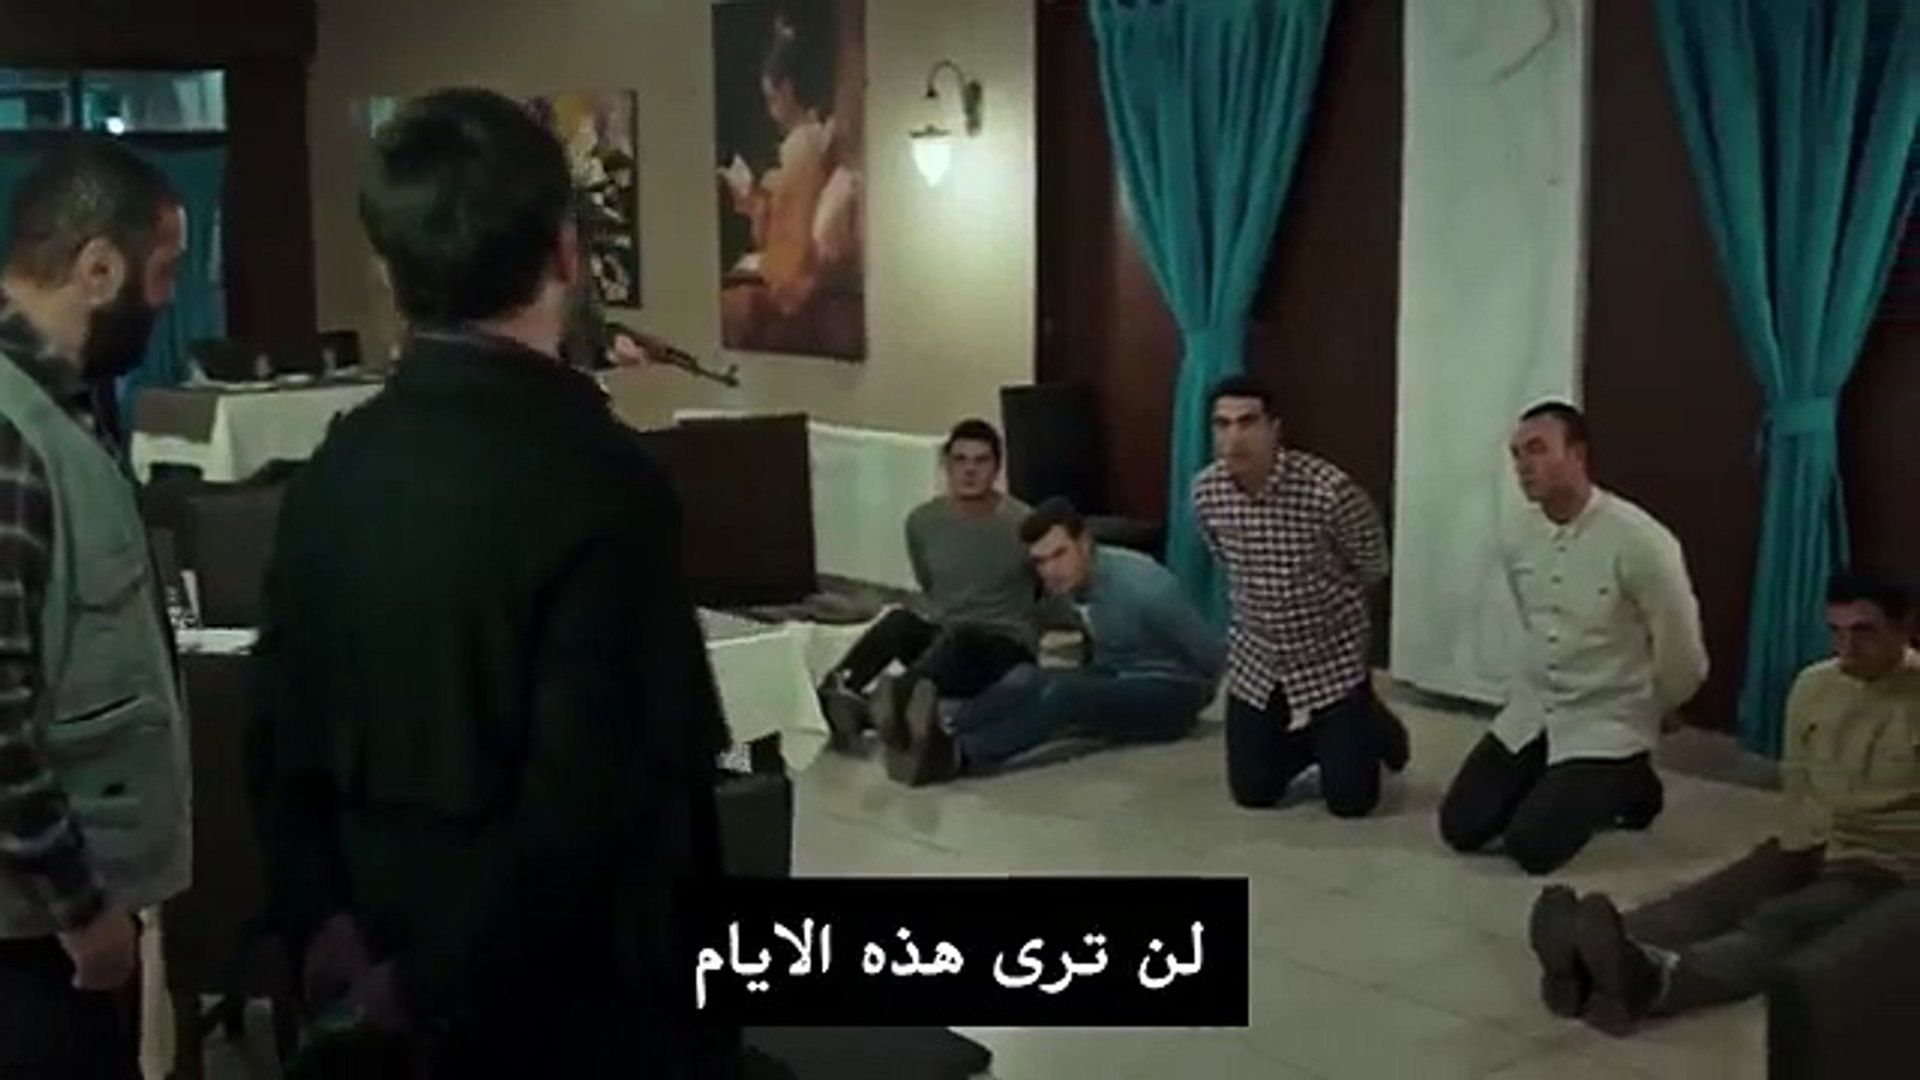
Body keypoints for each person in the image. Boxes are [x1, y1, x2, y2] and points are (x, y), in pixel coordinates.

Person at [246, 89, 736, 1077]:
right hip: (557, 1013)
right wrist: (426, 985)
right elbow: (597, 804)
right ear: (568, 253)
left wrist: (324, 923)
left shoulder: (332, 472)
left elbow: (274, 735)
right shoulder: (607, 484)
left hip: (370, 962)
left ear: (389, 277)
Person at [1527, 572, 1919, 1033]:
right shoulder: (1814, 686)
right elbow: (1797, 781)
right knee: (1712, 899)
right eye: (1837, 631)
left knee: (1782, 922)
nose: (1846, 647)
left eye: (1864, 632)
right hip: (1813, 839)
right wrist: (1795, 849)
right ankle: (1586, 951)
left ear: (1904, 628)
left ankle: (1658, 980)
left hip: (1887, 865)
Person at [0, 138, 190, 1079]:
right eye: (164, 273)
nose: (167, 300)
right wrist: (79, 907)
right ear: (99, 268)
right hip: (29, 942)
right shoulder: (10, 432)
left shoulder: (62, 405)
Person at [1440, 401, 1708, 874]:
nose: (1524, 465)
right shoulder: (1517, 535)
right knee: (1460, 827)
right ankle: (1555, 777)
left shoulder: (1640, 540)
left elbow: (1683, 650)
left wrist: (1655, 708)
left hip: (1606, 720)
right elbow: (1533, 621)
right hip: (1534, 710)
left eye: (1537, 449)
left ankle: (1631, 779)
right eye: (1517, 454)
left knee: (1532, 847)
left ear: (1578, 455)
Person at [887, 498, 1223, 786]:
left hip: (1172, 691)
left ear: (1085, 544)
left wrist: (1189, 699)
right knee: (1027, 676)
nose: (1051, 569)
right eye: (1040, 561)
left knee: (1064, 695)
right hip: (1114, 674)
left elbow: (1211, 656)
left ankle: (960, 754)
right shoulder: (1067, 588)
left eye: (1059, 554)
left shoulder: (1145, 586)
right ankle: (945, 729)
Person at [1192, 375, 1409, 818]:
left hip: (1329, 655)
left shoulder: (1329, 491)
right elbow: (1224, 558)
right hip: (1258, 655)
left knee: (1351, 803)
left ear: (1274, 429)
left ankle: (1370, 724)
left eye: (1248, 422)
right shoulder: (1206, 493)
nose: (1234, 437)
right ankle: (1324, 739)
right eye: (1222, 424)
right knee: (1254, 792)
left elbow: (1372, 564)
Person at [817, 419, 1036, 751]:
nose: (970, 470)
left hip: (1005, 647)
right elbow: (931, 584)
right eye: (960, 460)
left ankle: (894, 700)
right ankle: (839, 692)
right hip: (948, 640)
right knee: (900, 621)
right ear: (946, 465)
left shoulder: (1022, 523)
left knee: (964, 638)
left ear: (996, 468)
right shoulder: (923, 522)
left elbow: (1049, 589)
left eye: (981, 461)